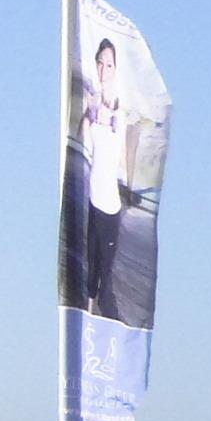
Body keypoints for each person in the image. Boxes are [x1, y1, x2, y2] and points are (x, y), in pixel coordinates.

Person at [77, 37, 131, 318]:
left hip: (109, 204)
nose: (103, 70)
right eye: (100, 63)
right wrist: (89, 113)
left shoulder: (119, 108)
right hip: (92, 198)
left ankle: (113, 328)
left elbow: (117, 147)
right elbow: (83, 139)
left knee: (105, 283)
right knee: (89, 277)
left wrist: (105, 114)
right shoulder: (93, 102)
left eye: (108, 65)